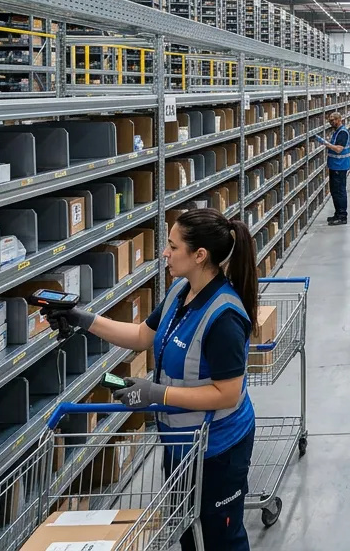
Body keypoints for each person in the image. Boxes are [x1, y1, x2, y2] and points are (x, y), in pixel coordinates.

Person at [44, 208, 258, 551]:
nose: (165, 253)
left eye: (172, 247)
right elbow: (143, 335)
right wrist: (83, 319)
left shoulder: (225, 317)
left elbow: (227, 394)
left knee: (221, 539)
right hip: (181, 443)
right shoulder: (180, 292)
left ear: (199, 255)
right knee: (190, 530)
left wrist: (157, 393)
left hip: (218, 448)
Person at [322, 111, 350, 225]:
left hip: (340, 166)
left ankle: (342, 215)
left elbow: (339, 149)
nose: (331, 122)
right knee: (335, 191)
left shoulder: (343, 132)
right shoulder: (337, 132)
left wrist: (326, 144)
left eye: (333, 120)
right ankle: (337, 213)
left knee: (339, 191)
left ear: (339, 120)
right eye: (330, 120)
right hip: (335, 165)